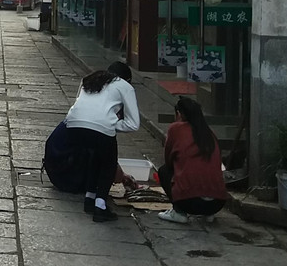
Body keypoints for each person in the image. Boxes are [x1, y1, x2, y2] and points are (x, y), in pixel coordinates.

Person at [64, 61, 140, 222]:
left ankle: (89, 199)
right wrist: (113, 124)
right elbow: (134, 123)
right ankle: (100, 206)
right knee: (108, 164)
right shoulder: (125, 86)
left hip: (73, 125)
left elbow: (81, 105)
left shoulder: (90, 79)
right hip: (101, 127)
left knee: (95, 158)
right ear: (127, 78)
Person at [158, 96, 228, 223]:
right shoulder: (210, 132)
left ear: (179, 114)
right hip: (217, 203)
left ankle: (178, 212)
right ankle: (209, 214)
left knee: (164, 171)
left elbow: (169, 161)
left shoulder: (176, 129)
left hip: (188, 202)